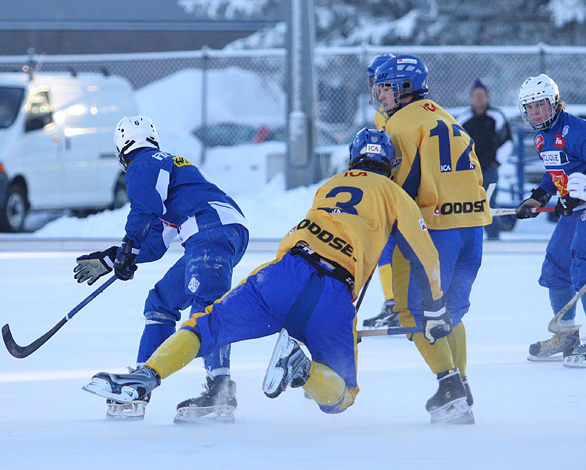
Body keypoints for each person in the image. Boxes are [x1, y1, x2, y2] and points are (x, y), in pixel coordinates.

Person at [82, 128, 457, 421]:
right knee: (342, 396)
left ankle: (146, 376)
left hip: (286, 270)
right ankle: (304, 371)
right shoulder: (395, 194)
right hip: (335, 290)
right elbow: (425, 255)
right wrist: (435, 306)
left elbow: (297, 236)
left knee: (205, 325)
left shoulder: (329, 186)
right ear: (390, 164)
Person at [73, 115, 249, 420]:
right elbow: (154, 243)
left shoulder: (143, 163)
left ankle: (220, 389)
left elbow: (144, 210)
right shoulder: (168, 173)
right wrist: (111, 259)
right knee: (162, 300)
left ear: (121, 151)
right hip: (216, 231)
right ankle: (140, 382)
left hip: (208, 230)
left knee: (206, 305)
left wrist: (128, 247)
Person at [371, 55, 492, 423]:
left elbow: (401, 189)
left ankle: (450, 385)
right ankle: (462, 386)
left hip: (436, 233)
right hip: (473, 230)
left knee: (413, 311)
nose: (381, 96)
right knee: (450, 313)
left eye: (387, 88)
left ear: (405, 89)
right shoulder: (447, 116)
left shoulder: (401, 126)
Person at [515, 74, 586, 366]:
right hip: (574, 205)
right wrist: (539, 197)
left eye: (540, 105)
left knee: (584, 260)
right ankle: (568, 334)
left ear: (554, 103)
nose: (535, 112)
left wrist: (583, 193)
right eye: (529, 108)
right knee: (556, 264)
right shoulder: (542, 138)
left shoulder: (578, 130)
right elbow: (554, 172)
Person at [362, 53, 401, 330]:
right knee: (384, 246)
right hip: (393, 186)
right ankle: (394, 302)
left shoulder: (404, 113)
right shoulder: (381, 114)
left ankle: (405, 304)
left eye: (383, 84)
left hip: (409, 189)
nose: (377, 89)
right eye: (375, 83)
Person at [456, 79, 514, 240]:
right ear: (471, 97)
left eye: (482, 95)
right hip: (467, 171)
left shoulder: (497, 116)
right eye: (476, 95)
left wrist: (497, 162)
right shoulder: (462, 119)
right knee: (465, 204)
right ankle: (466, 239)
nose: (479, 98)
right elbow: (454, 144)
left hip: (489, 168)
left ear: (488, 96)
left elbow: (507, 142)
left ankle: (493, 236)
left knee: (489, 203)